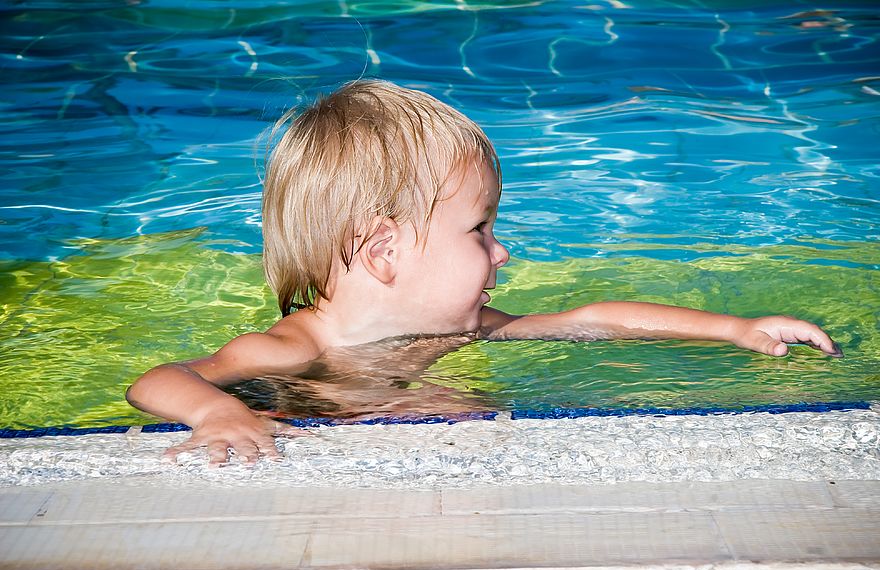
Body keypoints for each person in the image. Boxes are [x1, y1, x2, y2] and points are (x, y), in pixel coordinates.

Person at [125, 79, 843, 466]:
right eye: (479, 230)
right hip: (316, 409)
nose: (502, 252)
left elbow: (590, 318)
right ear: (384, 250)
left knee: (461, 411)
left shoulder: (448, 328)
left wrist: (734, 329)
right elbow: (156, 379)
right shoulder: (294, 348)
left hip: (393, 412)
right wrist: (223, 411)